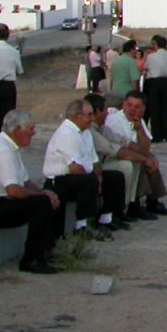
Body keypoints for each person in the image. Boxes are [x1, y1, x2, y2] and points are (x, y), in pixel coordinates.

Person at [0, 110, 62, 274]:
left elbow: (25, 181)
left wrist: (45, 192)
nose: (34, 133)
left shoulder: (11, 147)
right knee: (41, 204)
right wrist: (41, 196)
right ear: (17, 130)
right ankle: (31, 259)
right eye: (30, 129)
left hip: (3, 202)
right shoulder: (2, 150)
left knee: (49, 194)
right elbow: (13, 191)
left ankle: (46, 250)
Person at [43, 98, 129, 239]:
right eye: (89, 115)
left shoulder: (85, 132)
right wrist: (95, 180)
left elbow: (95, 161)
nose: (92, 118)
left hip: (82, 175)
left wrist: (99, 178)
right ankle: (82, 225)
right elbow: (75, 168)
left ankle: (106, 219)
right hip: (59, 180)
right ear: (77, 117)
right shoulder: (67, 134)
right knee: (88, 182)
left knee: (116, 177)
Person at [102, 92, 167, 216]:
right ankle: (134, 204)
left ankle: (153, 201)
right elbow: (122, 148)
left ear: (143, 109)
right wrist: (146, 157)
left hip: (128, 153)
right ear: (124, 105)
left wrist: (139, 129)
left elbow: (146, 147)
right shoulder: (116, 121)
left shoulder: (139, 120)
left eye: (137, 107)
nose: (132, 110)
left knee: (149, 159)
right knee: (140, 161)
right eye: (129, 105)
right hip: (114, 156)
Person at [142, 35, 167, 143]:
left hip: (154, 82)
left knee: (155, 109)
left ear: (155, 44)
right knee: (166, 108)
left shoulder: (151, 57)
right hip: (166, 82)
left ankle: (157, 135)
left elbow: (146, 68)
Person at [108, 41, 141, 106]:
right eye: (135, 49)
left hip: (116, 91)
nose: (136, 52)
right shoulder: (132, 62)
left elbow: (111, 79)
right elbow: (135, 80)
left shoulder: (116, 61)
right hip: (128, 92)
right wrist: (135, 95)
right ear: (131, 50)